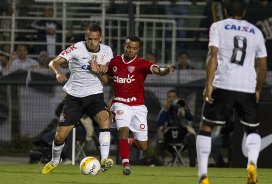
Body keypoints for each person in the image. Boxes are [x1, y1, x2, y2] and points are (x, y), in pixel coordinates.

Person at [196, 1, 267, 184]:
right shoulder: (256, 31)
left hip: (223, 84)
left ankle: (203, 175)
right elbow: (263, 65)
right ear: (244, 11)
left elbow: (213, 55)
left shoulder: (218, 26)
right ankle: (252, 164)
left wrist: (208, 84)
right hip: (247, 87)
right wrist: (258, 89)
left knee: (206, 126)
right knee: (252, 129)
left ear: (225, 11)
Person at [91, 36, 174, 175]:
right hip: (120, 103)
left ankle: (127, 142)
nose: (131, 50)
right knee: (123, 129)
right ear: (124, 46)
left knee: (143, 146)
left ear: (138, 49)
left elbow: (157, 70)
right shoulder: (115, 61)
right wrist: (98, 72)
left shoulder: (143, 63)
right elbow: (108, 81)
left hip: (139, 107)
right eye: (129, 47)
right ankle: (126, 164)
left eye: (134, 48)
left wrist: (165, 70)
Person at [41, 23, 114, 174]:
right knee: (60, 136)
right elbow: (53, 62)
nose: (92, 42)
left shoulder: (107, 51)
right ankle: (55, 160)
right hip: (74, 97)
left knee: (105, 118)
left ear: (100, 39)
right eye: (90, 39)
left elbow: (107, 81)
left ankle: (105, 159)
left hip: (95, 95)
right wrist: (58, 73)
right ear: (85, 37)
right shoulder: (76, 48)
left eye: (96, 39)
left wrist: (98, 71)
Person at [157, 89, 196, 167]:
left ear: (177, 98)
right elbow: (159, 123)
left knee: (191, 136)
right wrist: (165, 109)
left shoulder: (182, 108)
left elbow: (191, 118)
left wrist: (184, 110)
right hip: (168, 138)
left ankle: (193, 163)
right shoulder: (165, 110)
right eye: (169, 97)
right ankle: (159, 162)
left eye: (174, 97)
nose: (172, 99)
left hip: (182, 138)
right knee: (159, 134)